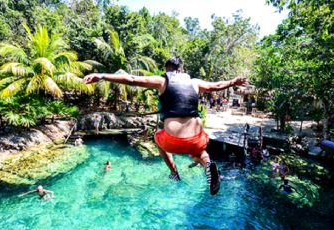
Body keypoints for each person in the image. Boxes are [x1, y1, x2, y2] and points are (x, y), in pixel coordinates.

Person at [83, 57, 247, 195]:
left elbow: (132, 79)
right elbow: (216, 86)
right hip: (197, 139)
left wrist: (102, 75)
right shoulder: (195, 82)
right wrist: (234, 81)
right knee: (200, 153)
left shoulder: (162, 81)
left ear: (166, 69)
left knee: (157, 137)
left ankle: (174, 172)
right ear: (181, 69)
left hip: (173, 141)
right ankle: (207, 164)